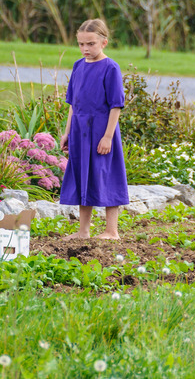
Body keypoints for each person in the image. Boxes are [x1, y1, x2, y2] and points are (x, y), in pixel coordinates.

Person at [59, 19, 129, 240]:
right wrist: (67, 132)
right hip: (80, 131)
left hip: (101, 130)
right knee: (83, 176)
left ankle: (111, 231)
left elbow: (116, 105)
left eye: (90, 44)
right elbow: (73, 104)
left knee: (107, 174)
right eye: (81, 44)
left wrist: (108, 136)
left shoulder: (111, 68)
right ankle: (83, 230)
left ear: (104, 42)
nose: (85, 49)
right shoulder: (78, 66)